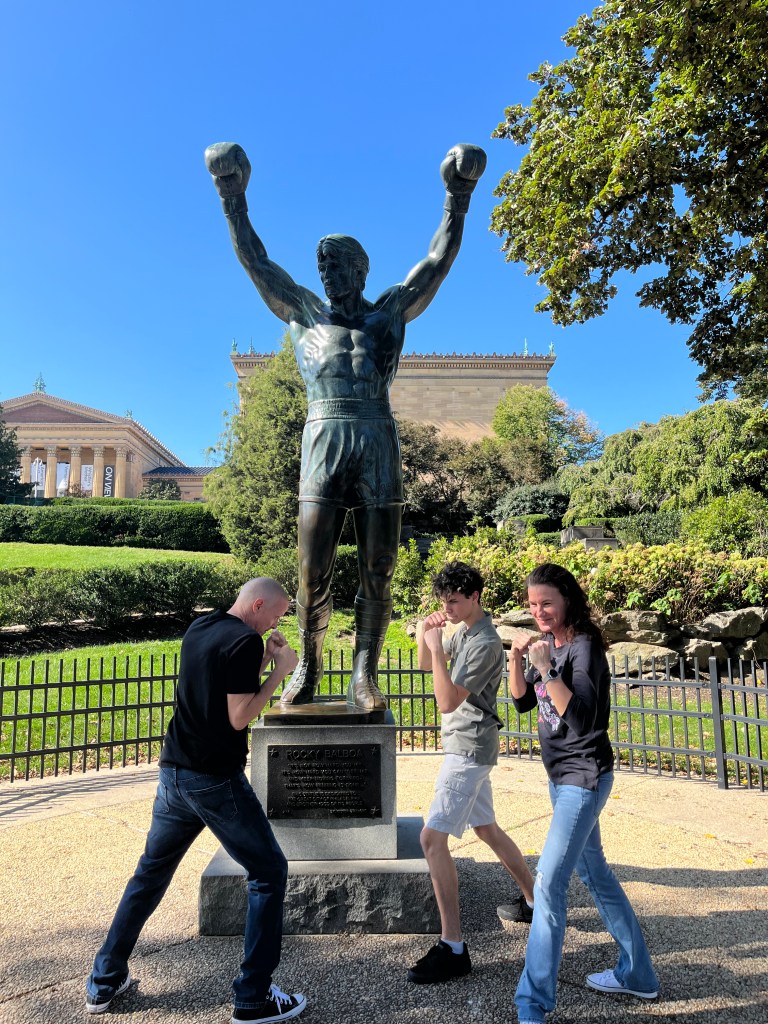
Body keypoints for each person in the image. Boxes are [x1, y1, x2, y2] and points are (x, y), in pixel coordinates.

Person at [204, 140, 486, 711]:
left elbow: (437, 262)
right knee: (313, 568)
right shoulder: (304, 313)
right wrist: (233, 196)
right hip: (323, 435)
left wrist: (458, 196)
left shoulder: (388, 314)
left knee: (379, 566)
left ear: (361, 270)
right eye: (322, 266)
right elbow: (256, 262)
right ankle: (308, 664)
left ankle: (365, 673)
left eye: (338, 265)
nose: (328, 274)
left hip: (376, 436)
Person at [85, 578, 307, 1024]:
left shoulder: (202, 626)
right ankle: (253, 998)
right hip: (214, 779)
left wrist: (263, 657)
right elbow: (239, 715)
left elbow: (219, 676)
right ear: (258, 604)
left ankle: (104, 981)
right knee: (268, 872)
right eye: (276, 615)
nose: (275, 623)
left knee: (149, 875)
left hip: (174, 772)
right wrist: (281, 672)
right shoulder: (244, 640)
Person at [505, 563, 659, 1023]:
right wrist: (518, 661)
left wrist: (547, 669)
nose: (539, 612)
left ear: (567, 599)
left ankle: (531, 1005)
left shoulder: (585, 647)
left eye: (546, 603)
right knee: (597, 876)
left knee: (549, 884)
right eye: (532, 605)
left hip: (584, 778)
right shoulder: (547, 645)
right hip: (560, 779)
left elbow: (583, 720)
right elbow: (520, 702)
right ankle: (639, 975)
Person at [407, 561, 535, 984]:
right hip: (467, 744)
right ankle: (536, 901)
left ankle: (453, 946)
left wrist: (436, 641)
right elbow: (429, 665)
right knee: (487, 829)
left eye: (455, 601)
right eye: (444, 602)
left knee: (431, 838)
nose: (449, 608)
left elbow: (446, 700)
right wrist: (431, 637)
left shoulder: (483, 643)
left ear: (476, 596)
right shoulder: (461, 628)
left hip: (468, 748)